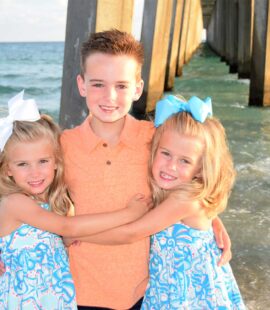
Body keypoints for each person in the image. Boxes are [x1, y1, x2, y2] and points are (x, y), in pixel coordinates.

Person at [60, 29, 233, 309]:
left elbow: (188, 177)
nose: (110, 96)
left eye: (122, 85)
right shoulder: (62, 146)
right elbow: (23, 189)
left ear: (138, 88)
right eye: (98, 84)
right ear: (81, 84)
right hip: (81, 291)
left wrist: (210, 219)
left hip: (146, 292)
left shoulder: (156, 140)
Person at [67, 95, 246, 309]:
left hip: (191, 293)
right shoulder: (170, 191)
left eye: (184, 161)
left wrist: (76, 233)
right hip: (170, 287)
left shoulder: (184, 198)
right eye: (166, 154)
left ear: (200, 168)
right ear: (155, 150)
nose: (171, 166)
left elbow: (131, 233)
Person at [0, 91, 151, 309]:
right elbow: (66, 226)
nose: (34, 172)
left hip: (53, 297)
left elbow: (56, 235)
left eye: (42, 161)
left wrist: (64, 241)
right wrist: (128, 214)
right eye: (23, 164)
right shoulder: (15, 202)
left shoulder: (51, 203)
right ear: (7, 171)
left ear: (55, 162)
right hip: (24, 298)